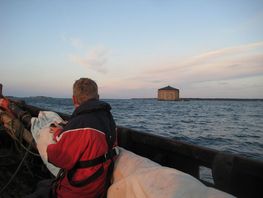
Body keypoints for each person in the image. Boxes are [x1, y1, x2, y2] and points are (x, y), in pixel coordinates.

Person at [46, 78, 118, 198]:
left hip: (78, 191)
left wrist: (49, 146)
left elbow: (58, 158)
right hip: (100, 187)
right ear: (98, 97)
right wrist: (60, 132)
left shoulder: (79, 124)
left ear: (74, 99)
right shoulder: (109, 120)